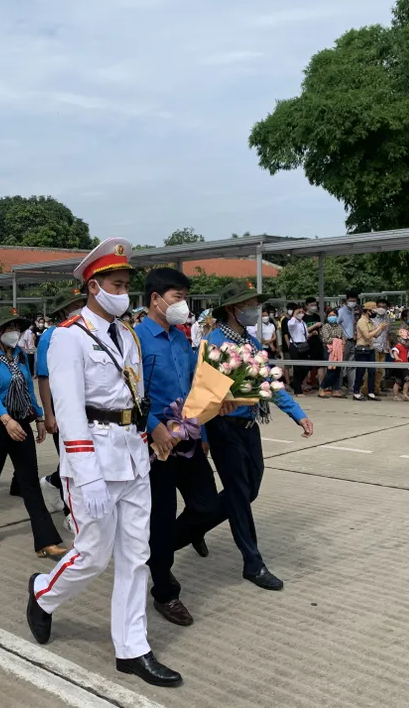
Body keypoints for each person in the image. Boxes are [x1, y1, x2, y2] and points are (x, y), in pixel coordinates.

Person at [26, 237, 182, 689]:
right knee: (93, 555)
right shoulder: (68, 337)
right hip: (93, 456)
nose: (124, 293)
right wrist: (86, 473)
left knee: (136, 555)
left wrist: (151, 436)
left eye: (127, 285)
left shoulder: (127, 334)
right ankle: (43, 593)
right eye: (116, 285)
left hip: (133, 455)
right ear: (93, 286)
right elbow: (70, 409)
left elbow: (134, 397)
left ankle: (132, 648)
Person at [197, 281, 313, 591]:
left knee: (250, 489)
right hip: (224, 429)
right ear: (231, 308)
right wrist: (204, 433)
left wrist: (297, 413)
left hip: (250, 426)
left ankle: (196, 524)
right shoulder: (213, 343)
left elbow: (268, 383)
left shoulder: (251, 342)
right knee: (238, 494)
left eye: (255, 304)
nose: (254, 310)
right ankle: (253, 563)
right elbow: (203, 393)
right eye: (248, 304)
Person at [135, 267, 225, 629]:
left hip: (187, 438)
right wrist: (153, 427)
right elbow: (127, 392)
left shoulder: (181, 339)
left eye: (186, 298)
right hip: (155, 445)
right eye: (178, 297)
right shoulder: (135, 340)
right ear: (156, 299)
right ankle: (164, 591)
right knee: (161, 515)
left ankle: (154, 552)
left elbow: (193, 386)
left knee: (208, 506)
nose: (184, 305)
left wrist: (203, 431)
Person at [0, 306, 66, 558]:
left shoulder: (20, 356)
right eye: (8, 327)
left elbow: (27, 389)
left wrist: (38, 416)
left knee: (30, 482)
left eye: (16, 327)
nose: (13, 332)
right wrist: (6, 420)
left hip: (21, 421)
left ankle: (46, 541)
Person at [35, 288, 87, 534]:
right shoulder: (52, 336)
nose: (80, 308)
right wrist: (49, 414)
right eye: (75, 304)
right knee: (71, 462)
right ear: (64, 310)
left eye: (81, 303)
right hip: (62, 407)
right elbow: (44, 378)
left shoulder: (88, 331)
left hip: (87, 407)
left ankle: (51, 482)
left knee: (84, 461)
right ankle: (70, 514)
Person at [354, 303, 385, 401]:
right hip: (362, 349)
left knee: (372, 371)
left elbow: (375, 335)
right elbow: (367, 336)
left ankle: (371, 392)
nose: (375, 313)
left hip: (370, 349)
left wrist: (382, 329)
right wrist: (379, 328)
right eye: (374, 311)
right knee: (360, 371)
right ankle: (356, 392)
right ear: (368, 311)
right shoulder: (361, 321)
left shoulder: (370, 321)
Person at [364, 298, 391, 397]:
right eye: (379, 306)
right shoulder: (372, 317)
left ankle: (376, 389)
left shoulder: (387, 318)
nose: (381, 308)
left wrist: (388, 344)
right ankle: (366, 389)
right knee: (372, 370)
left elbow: (387, 333)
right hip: (373, 346)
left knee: (380, 370)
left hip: (383, 347)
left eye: (384, 307)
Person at [319, 308, 346, 397]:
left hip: (339, 351)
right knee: (331, 371)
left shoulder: (339, 326)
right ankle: (322, 388)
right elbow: (326, 339)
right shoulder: (325, 326)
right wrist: (337, 340)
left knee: (337, 370)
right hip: (329, 350)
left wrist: (342, 341)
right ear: (327, 317)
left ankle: (336, 389)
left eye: (334, 315)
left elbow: (343, 337)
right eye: (330, 315)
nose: (332, 317)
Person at [286, 304, 312, 396]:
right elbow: (291, 325)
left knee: (306, 366)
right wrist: (294, 314)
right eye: (299, 312)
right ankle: (298, 391)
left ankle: (295, 383)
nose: (301, 313)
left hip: (303, 345)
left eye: (302, 312)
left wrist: (312, 334)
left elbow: (306, 335)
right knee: (297, 368)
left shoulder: (303, 323)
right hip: (295, 346)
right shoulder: (292, 322)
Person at [303, 297, 323, 390]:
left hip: (317, 343)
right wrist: (314, 326)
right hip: (307, 344)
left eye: (315, 305)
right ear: (307, 306)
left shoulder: (317, 316)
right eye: (312, 305)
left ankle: (321, 386)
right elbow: (303, 330)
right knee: (306, 366)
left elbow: (320, 330)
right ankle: (305, 385)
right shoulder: (303, 317)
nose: (314, 307)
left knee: (320, 365)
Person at [390, 329, 409, 401]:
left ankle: (403, 395)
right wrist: (397, 358)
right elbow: (394, 352)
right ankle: (397, 396)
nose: (406, 341)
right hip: (399, 366)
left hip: (404, 366)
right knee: (399, 381)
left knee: (405, 380)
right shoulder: (398, 346)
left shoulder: (405, 348)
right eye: (405, 340)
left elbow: (407, 357)